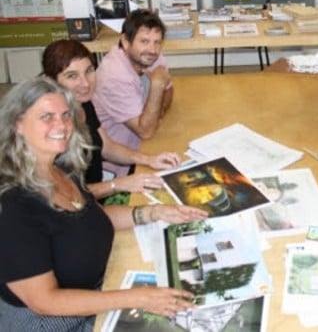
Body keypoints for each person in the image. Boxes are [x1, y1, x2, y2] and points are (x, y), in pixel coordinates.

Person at [0, 77, 208, 331]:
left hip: (97, 291)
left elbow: (90, 220)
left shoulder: (62, 166)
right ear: (17, 124)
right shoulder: (12, 206)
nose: (62, 125)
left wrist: (152, 212)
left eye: (65, 115)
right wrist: (138, 298)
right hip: (51, 321)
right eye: (46, 117)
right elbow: (44, 300)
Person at [42, 39, 181, 200]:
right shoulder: (52, 129)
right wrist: (118, 185)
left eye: (89, 71)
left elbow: (107, 147)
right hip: (78, 208)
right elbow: (66, 195)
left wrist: (149, 160)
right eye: (72, 76)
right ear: (51, 81)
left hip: (98, 191)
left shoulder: (83, 103)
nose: (85, 83)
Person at [93, 9, 173, 177]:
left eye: (157, 42)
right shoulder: (114, 75)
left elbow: (169, 91)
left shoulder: (149, 56)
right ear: (126, 41)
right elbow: (146, 131)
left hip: (145, 146)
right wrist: (157, 85)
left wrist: (158, 115)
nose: (152, 49)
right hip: (121, 165)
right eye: (144, 41)